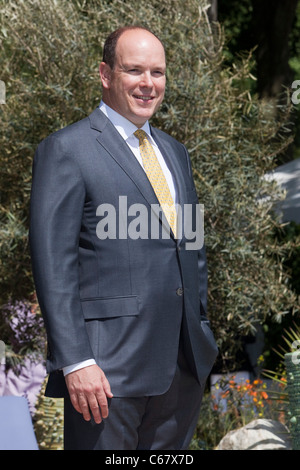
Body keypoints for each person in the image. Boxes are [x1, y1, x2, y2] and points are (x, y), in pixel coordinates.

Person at [29, 25, 218, 450]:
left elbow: (190, 246)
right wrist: (76, 361)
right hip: (105, 377)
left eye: (158, 72)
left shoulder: (175, 153)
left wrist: (201, 331)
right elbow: (51, 264)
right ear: (105, 74)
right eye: (134, 70)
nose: (149, 84)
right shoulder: (66, 150)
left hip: (182, 368)